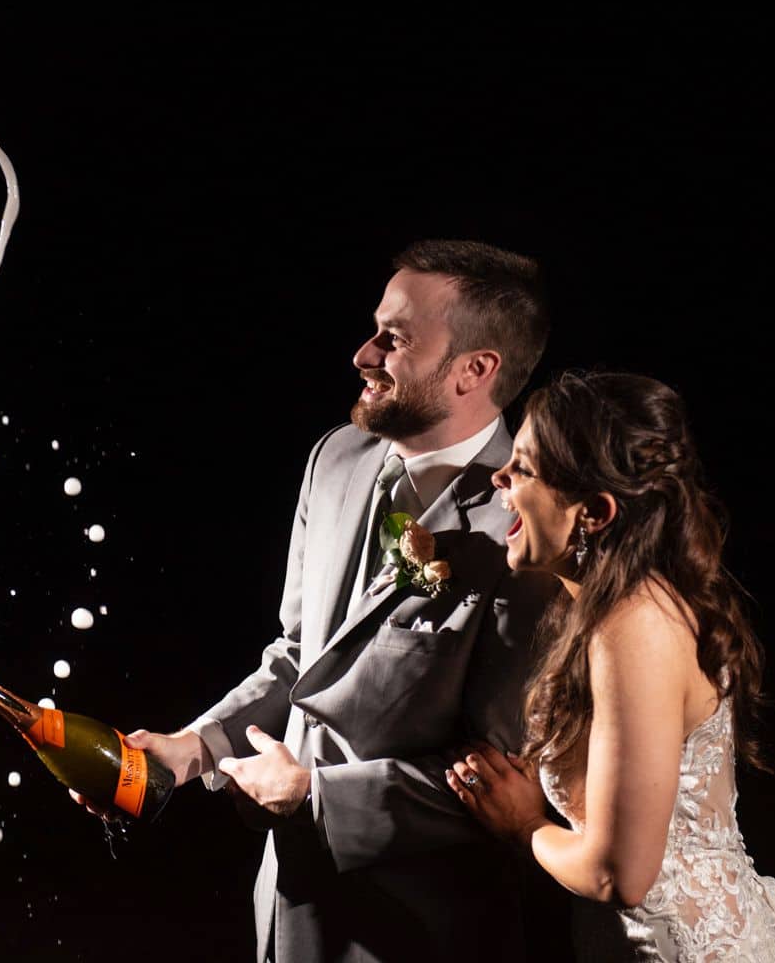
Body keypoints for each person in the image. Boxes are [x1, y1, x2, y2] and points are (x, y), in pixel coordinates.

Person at [73, 240, 565, 962]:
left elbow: (504, 776)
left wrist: (314, 797)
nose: (364, 355)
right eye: (374, 330)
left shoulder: (532, 523)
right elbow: (299, 659)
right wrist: (190, 749)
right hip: (288, 901)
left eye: (393, 339)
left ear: (476, 370)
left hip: (421, 925)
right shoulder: (334, 458)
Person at [446, 371, 775, 962]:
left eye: (522, 467)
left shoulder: (635, 625)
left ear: (593, 513)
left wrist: (525, 826)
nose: (498, 477)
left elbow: (619, 874)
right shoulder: (609, 610)